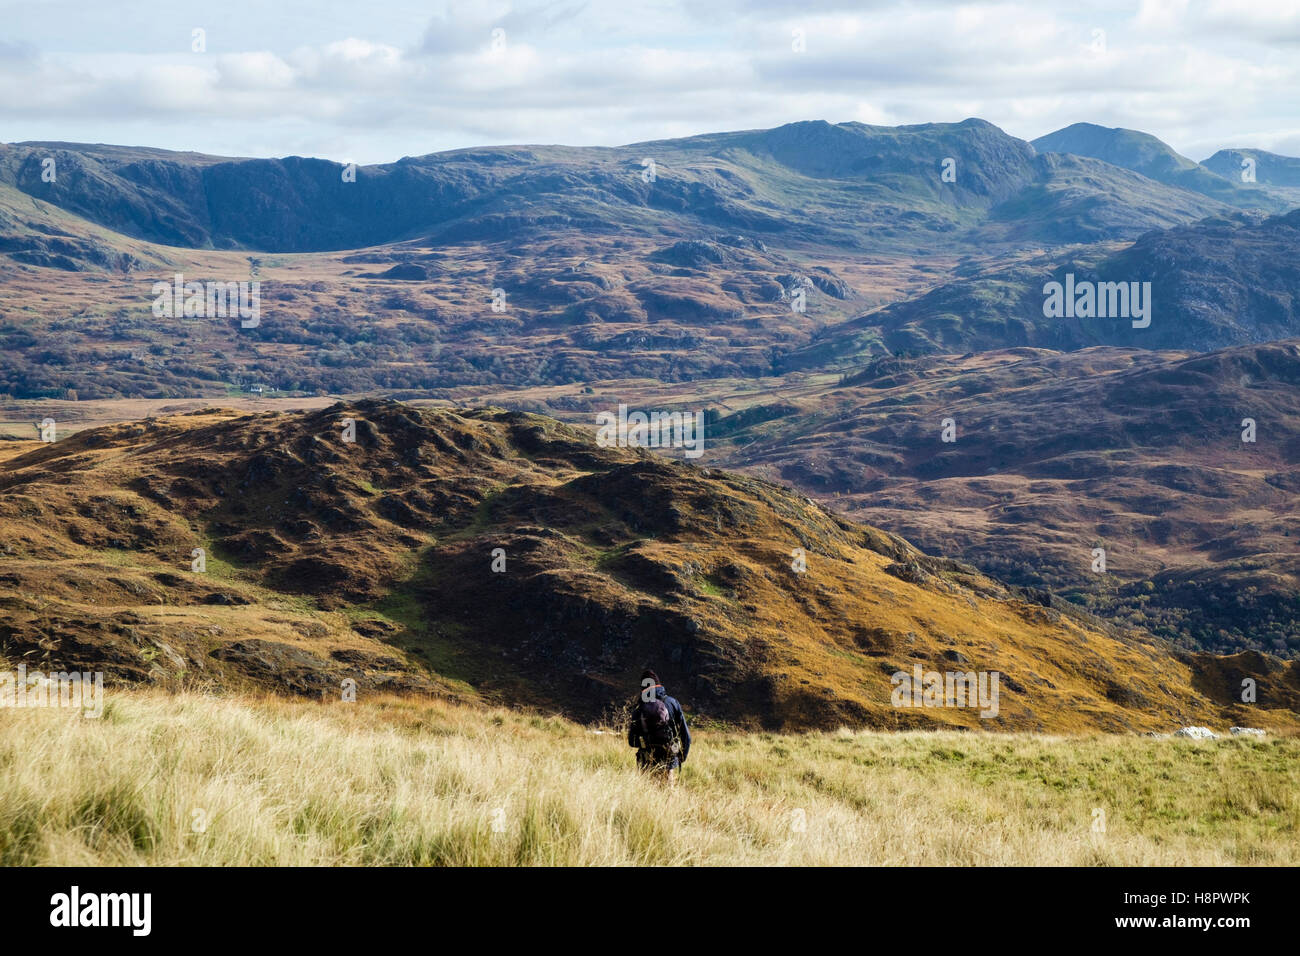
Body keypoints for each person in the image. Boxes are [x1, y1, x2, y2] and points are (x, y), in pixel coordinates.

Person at [628, 669, 691, 784]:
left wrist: (646, 743)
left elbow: (632, 741)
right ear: (659, 684)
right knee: (668, 795)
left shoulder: (639, 708)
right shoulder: (672, 703)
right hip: (668, 758)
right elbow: (686, 735)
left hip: (645, 760)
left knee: (647, 794)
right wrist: (681, 757)